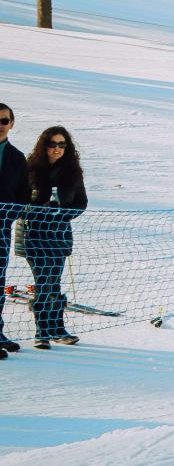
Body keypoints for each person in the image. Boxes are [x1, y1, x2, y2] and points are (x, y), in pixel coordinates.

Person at [16, 126, 88, 348]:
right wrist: (38, 211)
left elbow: (81, 203)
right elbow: (17, 202)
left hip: (58, 236)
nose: (57, 149)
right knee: (44, 281)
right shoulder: (29, 170)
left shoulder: (73, 172)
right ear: (43, 145)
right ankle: (42, 331)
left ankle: (56, 329)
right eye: (52, 144)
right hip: (33, 235)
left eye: (62, 144)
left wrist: (62, 215)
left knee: (53, 282)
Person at [0, 102, 30, 357]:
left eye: (4, 121)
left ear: (11, 124)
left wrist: (7, 215)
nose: (0, 125)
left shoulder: (16, 157)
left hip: (0, 227)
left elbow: (23, 196)